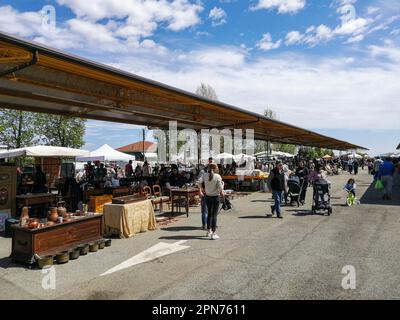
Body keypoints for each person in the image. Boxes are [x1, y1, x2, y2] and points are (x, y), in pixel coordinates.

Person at [198, 163, 224, 240]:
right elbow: (220, 188)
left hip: (207, 196)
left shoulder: (205, 175)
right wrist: (223, 186)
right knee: (214, 215)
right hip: (215, 197)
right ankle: (214, 233)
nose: (218, 168)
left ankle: (208, 231)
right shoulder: (218, 176)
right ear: (215, 168)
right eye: (217, 167)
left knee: (209, 214)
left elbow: (198, 182)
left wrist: (201, 190)